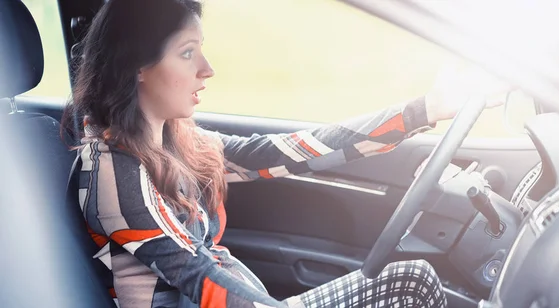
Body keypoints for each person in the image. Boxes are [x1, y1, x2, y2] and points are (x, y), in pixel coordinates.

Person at [61, 0, 506, 307]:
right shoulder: (110, 172)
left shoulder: (175, 139)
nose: (207, 69)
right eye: (188, 53)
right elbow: (198, 276)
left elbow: (286, 152)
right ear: (137, 66)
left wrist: (420, 112)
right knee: (412, 282)